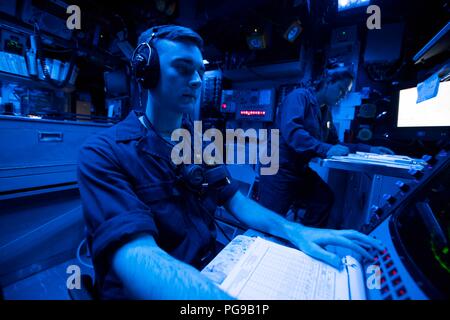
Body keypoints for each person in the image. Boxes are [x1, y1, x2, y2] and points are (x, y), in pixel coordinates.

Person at [77, 25, 383, 300]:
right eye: (183, 69)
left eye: (199, 69)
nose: (196, 80)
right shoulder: (104, 153)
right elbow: (138, 256)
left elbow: (234, 200)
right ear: (148, 73)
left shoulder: (197, 143)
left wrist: (294, 231)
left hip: (211, 269)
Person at [258, 68, 394, 228]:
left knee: (323, 199)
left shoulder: (325, 112)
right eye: (341, 90)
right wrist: (325, 149)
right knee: (269, 223)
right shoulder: (299, 97)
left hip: (297, 170)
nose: (342, 96)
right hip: (278, 167)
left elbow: (336, 144)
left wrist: (368, 149)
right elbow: (294, 134)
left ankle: (305, 241)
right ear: (329, 82)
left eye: (345, 93)